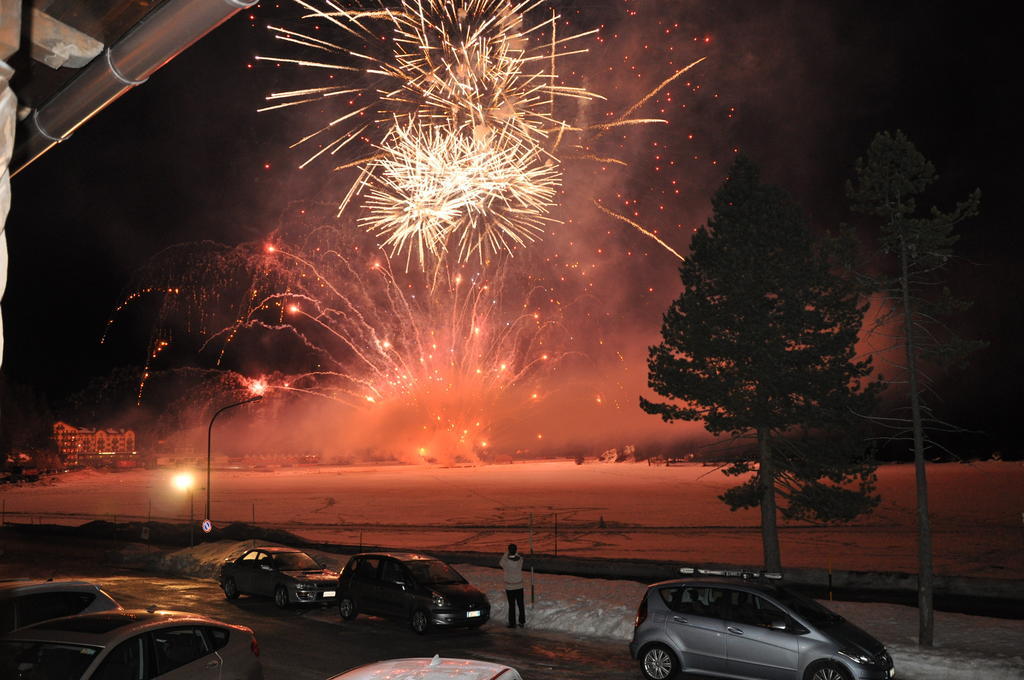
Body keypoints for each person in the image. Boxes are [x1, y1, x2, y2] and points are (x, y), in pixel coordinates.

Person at [499, 543, 525, 628]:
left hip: (510, 587)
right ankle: (522, 622)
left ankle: (512, 623)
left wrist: (507, 553)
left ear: (509, 550)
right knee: (520, 604)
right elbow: (518, 556)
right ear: (516, 550)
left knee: (512, 605)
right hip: (519, 586)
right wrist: (515, 553)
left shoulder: (505, 562)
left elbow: (500, 563)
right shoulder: (520, 560)